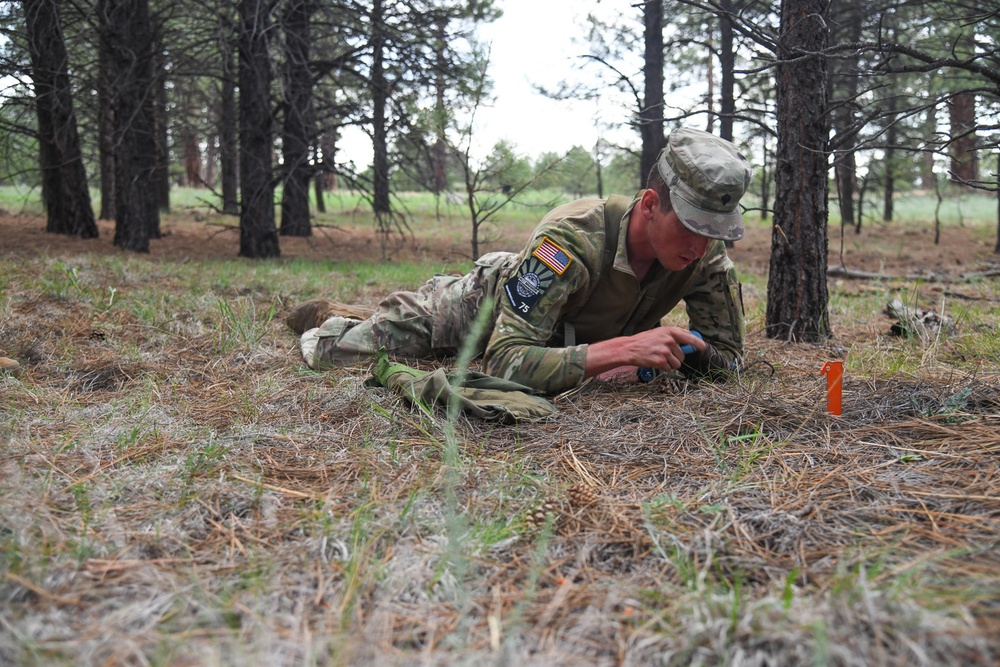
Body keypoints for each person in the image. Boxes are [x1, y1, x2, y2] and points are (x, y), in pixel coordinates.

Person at [287, 127, 752, 395]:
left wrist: (691, 353)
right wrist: (622, 350)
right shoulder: (570, 240)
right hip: (478, 311)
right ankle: (331, 318)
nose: (702, 243)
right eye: (691, 224)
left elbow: (729, 361)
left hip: (559, 336)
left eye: (716, 229)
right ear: (651, 204)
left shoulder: (704, 253)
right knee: (335, 355)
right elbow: (504, 361)